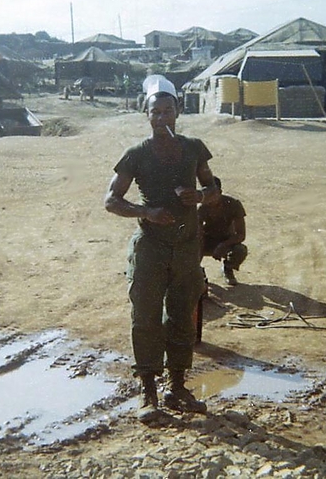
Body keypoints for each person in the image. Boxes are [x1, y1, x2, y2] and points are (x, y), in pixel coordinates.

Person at [104, 75, 218, 422]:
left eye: (168, 112)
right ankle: (149, 394)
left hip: (186, 248)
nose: (162, 118)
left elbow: (213, 187)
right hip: (150, 248)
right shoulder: (135, 155)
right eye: (156, 113)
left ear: (178, 112)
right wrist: (146, 212)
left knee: (182, 315)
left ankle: (178, 388)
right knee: (147, 319)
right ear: (146, 114)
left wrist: (198, 196)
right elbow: (111, 200)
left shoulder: (194, 148)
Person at [199, 176, 247, 286]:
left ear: (220, 192)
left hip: (226, 240)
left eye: (212, 194)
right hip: (206, 241)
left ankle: (228, 268)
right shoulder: (201, 208)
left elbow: (241, 235)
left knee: (240, 250)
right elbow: (197, 235)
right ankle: (198, 273)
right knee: (190, 249)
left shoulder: (234, 204)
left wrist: (223, 245)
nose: (209, 199)